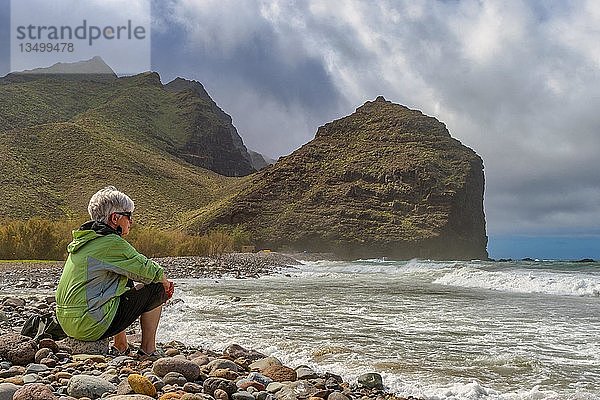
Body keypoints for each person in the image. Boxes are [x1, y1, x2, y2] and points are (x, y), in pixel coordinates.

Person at [55, 186, 174, 357]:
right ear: (115, 218)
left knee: (124, 276)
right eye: (129, 216)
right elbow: (147, 269)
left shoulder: (86, 240)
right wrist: (165, 283)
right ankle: (148, 350)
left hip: (68, 322)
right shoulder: (110, 242)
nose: (131, 222)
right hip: (89, 324)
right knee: (156, 286)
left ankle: (121, 344)